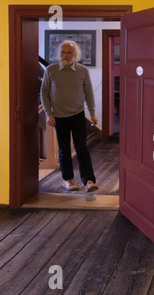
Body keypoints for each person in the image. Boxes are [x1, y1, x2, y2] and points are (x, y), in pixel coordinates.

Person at [40, 40, 99, 192]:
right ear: (59, 53)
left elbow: (89, 93)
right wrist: (48, 113)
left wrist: (92, 113)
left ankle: (89, 181)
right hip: (59, 116)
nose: (65, 55)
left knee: (82, 148)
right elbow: (44, 92)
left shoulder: (82, 70)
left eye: (69, 52)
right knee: (64, 150)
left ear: (75, 54)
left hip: (78, 114)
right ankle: (67, 180)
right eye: (63, 52)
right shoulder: (51, 70)